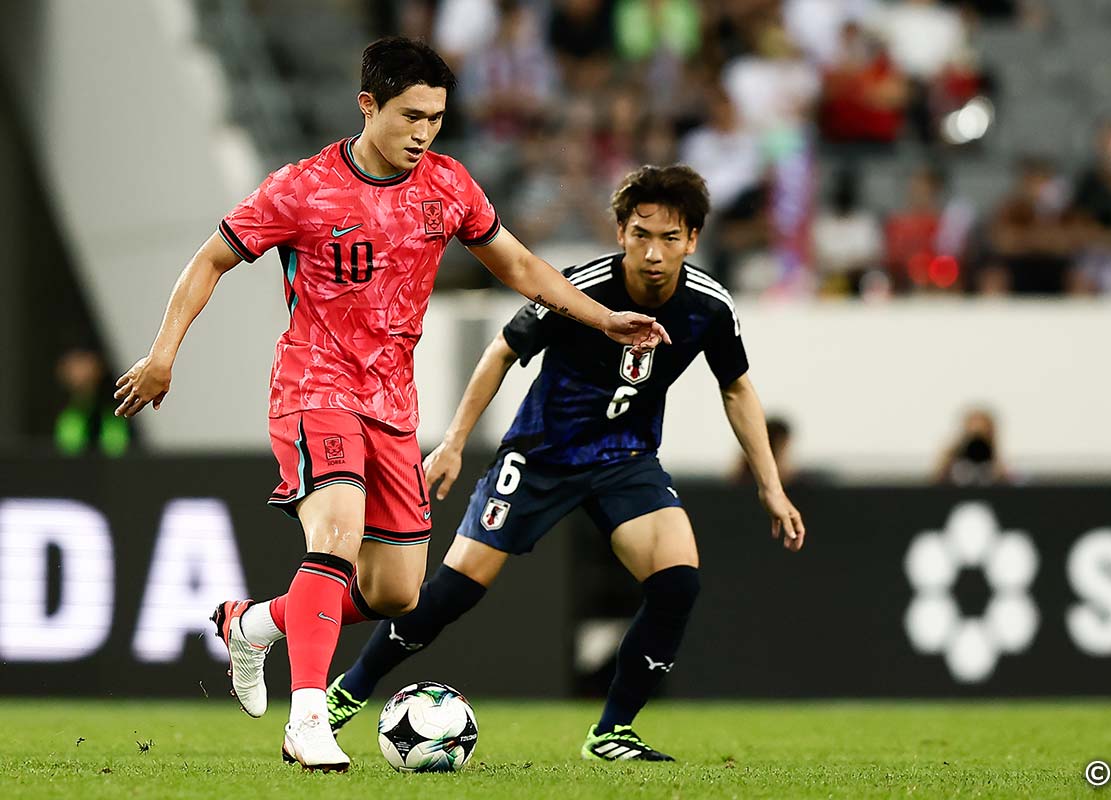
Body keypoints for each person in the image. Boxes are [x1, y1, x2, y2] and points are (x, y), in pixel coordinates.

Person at [112, 37, 666, 772]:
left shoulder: (448, 186)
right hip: (315, 388)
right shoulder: (302, 188)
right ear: (368, 105)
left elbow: (518, 264)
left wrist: (602, 318)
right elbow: (211, 259)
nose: (424, 132)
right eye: (411, 116)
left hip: (393, 405)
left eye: (436, 118)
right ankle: (308, 720)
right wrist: (163, 354)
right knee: (335, 534)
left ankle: (255, 625)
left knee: (396, 592)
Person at [320, 164, 806, 762]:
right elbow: (502, 350)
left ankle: (612, 732)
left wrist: (771, 486)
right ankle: (349, 691)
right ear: (621, 233)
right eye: (641, 235)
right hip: (540, 457)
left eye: (670, 238)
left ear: (693, 240)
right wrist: (453, 442)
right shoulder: (581, 288)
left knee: (678, 584)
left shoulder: (709, 306)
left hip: (626, 460)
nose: (654, 253)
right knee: (450, 594)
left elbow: (736, 388)